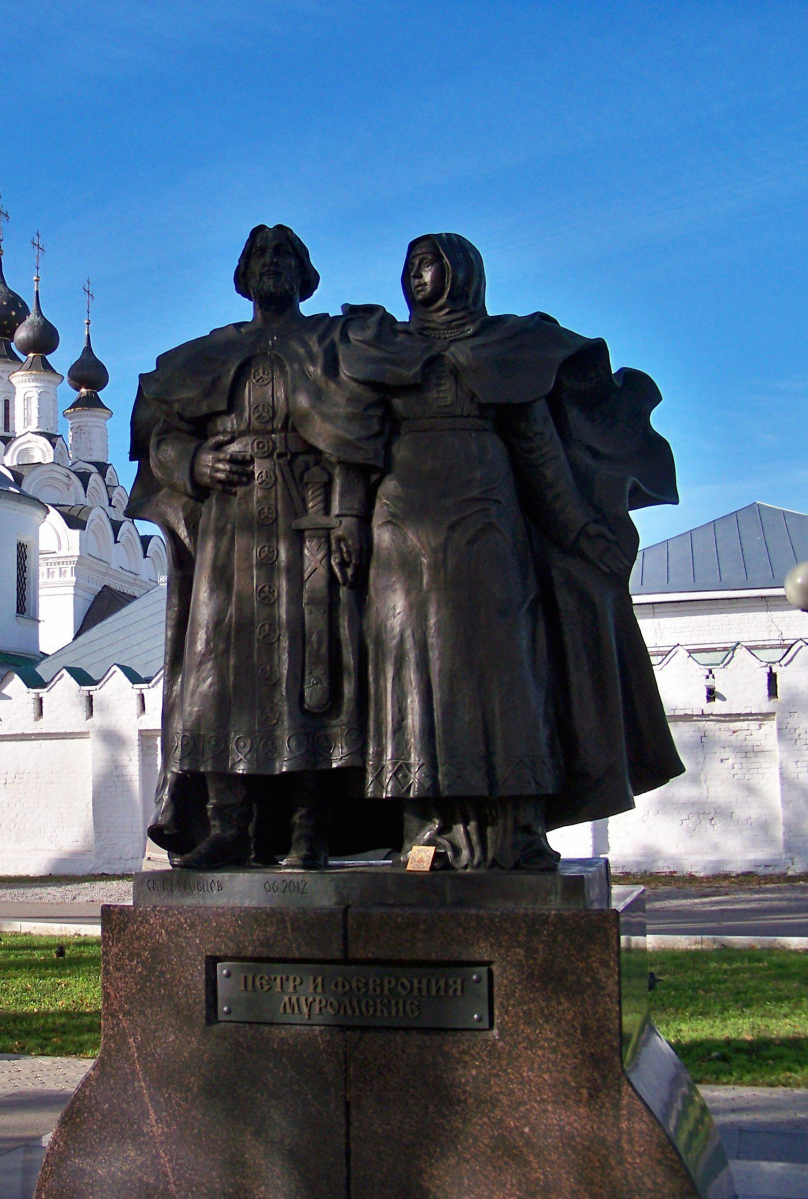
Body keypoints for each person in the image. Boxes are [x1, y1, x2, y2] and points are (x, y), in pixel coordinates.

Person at [341, 232, 685, 870]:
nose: (418, 277)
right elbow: (353, 445)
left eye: (431, 266)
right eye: (412, 266)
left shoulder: (509, 347)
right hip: (401, 526)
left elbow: (539, 450)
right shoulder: (382, 349)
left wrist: (580, 528)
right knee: (410, 670)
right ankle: (425, 831)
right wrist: (343, 519)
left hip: (486, 519)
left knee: (503, 668)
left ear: (462, 274)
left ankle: (516, 828)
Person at [126, 225, 390, 869]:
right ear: (242, 275)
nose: (271, 264)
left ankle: (309, 832)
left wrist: (352, 511)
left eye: (286, 255)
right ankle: (227, 827)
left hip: (311, 524)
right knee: (221, 676)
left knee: (318, 676)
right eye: (260, 255)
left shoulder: (332, 343)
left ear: (307, 274)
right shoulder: (205, 355)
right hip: (229, 533)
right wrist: (192, 459)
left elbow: (358, 432)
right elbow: (160, 436)